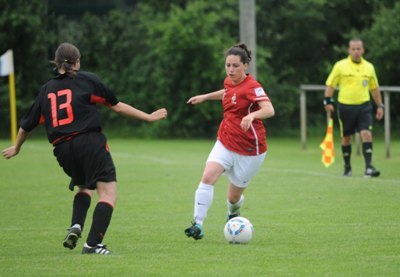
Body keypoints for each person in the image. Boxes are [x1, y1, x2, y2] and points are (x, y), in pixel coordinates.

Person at [1, 42, 167, 254]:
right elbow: (116, 106)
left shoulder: (46, 90)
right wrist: (148, 117)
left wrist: (16, 147)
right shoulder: (88, 80)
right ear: (77, 62)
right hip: (89, 143)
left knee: (84, 186)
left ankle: (76, 225)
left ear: (57, 63)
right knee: (108, 194)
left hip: (62, 151)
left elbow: (26, 125)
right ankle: (92, 245)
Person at [184, 43, 275, 240]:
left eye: (235, 66)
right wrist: (205, 97)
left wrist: (252, 116)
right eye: (228, 65)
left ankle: (233, 212)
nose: (231, 70)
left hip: (250, 150)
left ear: (245, 66)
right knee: (208, 177)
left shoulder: (253, 87)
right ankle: (197, 224)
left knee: (233, 198)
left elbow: (269, 109)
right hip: (225, 141)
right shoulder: (229, 81)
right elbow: (228, 93)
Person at [324, 38, 384, 178]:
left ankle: (369, 167)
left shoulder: (369, 67)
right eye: (353, 49)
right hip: (345, 106)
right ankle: (347, 167)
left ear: (363, 50)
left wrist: (380, 105)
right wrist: (327, 101)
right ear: (349, 50)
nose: (356, 52)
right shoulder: (340, 66)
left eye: (359, 49)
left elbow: (374, 88)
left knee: (366, 134)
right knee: (346, 138)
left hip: (364, 106)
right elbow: (331, 84)